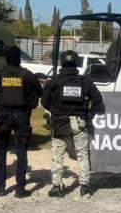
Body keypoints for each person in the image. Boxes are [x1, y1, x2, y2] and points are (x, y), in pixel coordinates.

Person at [0, 46, 42, 198]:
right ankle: (20, 189)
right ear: (19, 59)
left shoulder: (0, 73)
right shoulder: (26, 74)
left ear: (6, 59)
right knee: (21, 152)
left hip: (3, 117)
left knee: (1, 151)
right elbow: (40, 91)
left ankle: (1, 188)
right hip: (22, 117)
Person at [42, 50, 105, 198]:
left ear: (61, 62)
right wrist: (87, 109)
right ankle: (84, 188)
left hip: (59, 122)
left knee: (57, 156)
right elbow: (98, 100)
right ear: (76, 62)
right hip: (79, 123)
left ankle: (56, 187)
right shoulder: (85, 82)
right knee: (82, 155)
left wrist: (55, 110)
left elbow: (44, 101)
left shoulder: (54, 82)